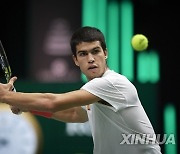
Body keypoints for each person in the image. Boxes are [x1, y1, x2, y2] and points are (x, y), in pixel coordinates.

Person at [0, 26, 161, 154]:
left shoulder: (112, 83)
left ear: (105, 53)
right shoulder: (93, 92)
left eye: (95, 51)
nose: (91, 58)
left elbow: (52, 103)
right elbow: (73, 113)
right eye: (83, 54)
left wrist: (6, 96)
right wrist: (27, 107)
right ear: (75, 60)